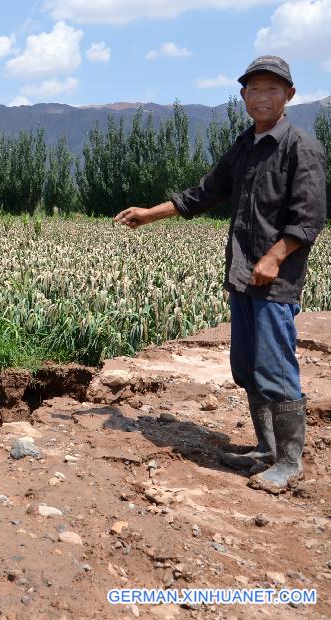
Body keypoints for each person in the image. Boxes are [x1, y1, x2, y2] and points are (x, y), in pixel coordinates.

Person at [115, 55, 327, 494]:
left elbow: (308, 218)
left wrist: (274, 258)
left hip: (275, 282)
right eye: (255, 89)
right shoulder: (245, 146)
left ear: (289, 95)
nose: (262, 97)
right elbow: (204, 193)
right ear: (243, 96)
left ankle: (289, 462)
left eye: (272, 89)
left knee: (275, 367)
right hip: (243, 276)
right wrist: (149, 214)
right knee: (247, 367)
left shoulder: (300, 148)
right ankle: (266, 449)